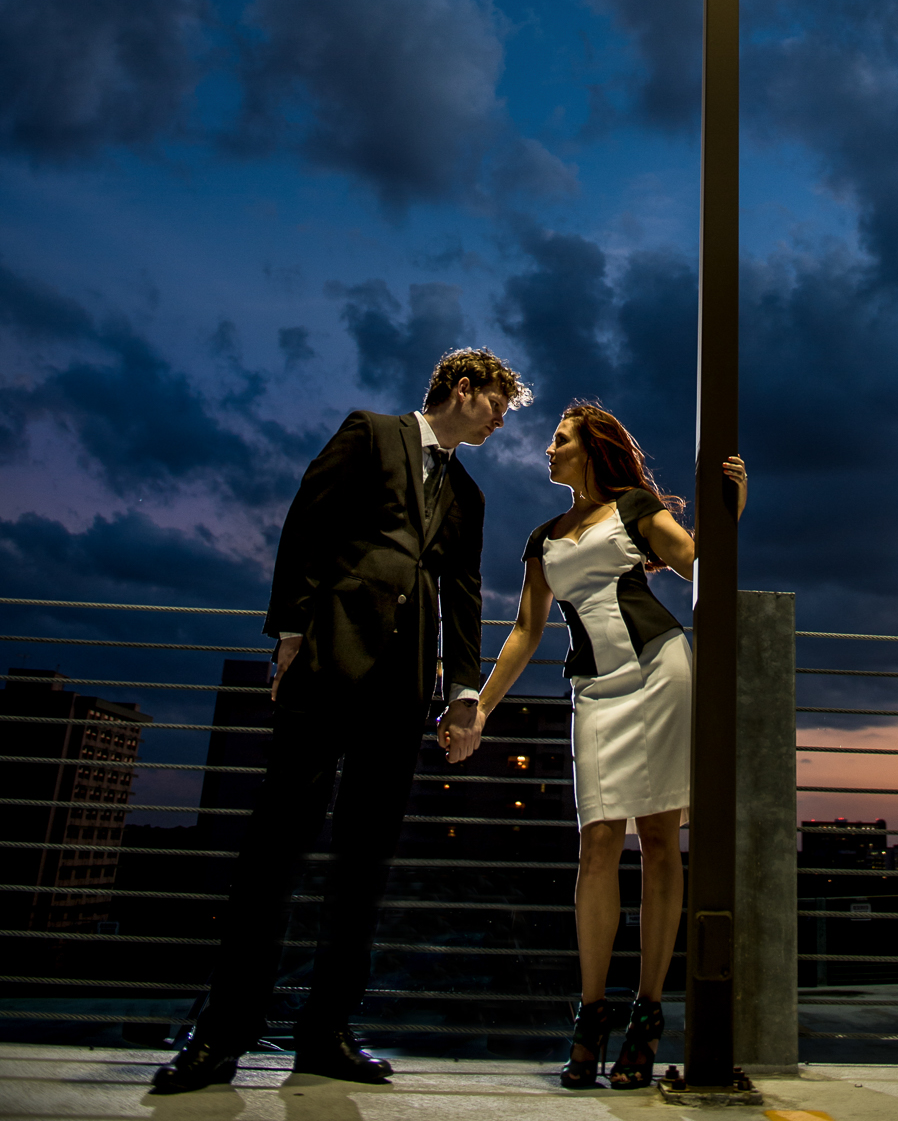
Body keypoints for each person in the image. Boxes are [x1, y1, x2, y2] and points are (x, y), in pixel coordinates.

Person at [152, 346, 531, 1095]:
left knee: (363, 866)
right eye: (495, 405)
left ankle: (324, 1034)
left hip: (402, 690)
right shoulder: (369, 433)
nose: (498, 422)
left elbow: (462, 596)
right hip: (327, 663)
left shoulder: (470, 498)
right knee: (273, 854)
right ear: (463, 389)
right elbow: (306, 525)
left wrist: (462, 694)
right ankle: (220, 1035)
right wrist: (291, 630)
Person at [465, 401, 747, 1090]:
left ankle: (645, 1019)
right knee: (596, 843)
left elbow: (691, 562)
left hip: (658, 672)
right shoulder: (544, 537)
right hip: (593, 692)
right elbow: (525, 634)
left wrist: (728, 506)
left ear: (591, 448)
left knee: (656, 841)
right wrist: (476, 708)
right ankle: (590, 1019)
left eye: (558, 440)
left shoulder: (634, 506)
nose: (548, 450)